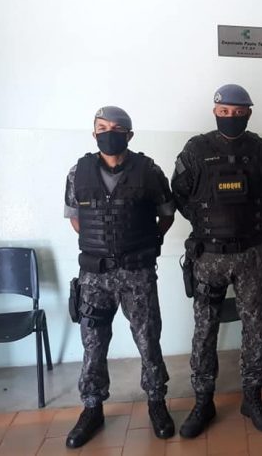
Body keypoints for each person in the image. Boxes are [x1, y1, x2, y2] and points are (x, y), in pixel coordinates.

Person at [171, 84, 262, 438]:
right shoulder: (195, 150)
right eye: (224, 112)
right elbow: (180, 194)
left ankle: (252, 398)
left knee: (254, 328)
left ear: (248, 113)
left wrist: (244, 223)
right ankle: (203, 402)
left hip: (251, 255)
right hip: (209, 256)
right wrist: (209, 225)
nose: (231, 117)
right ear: (215, 111)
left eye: (238, 112)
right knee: (204, 330)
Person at [63, 106, 175, 448]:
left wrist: (144, 242)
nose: (107, 133)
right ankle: (92, 408)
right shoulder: (78, 172)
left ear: (129, 134)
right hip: (94, 275)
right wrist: (103, 245)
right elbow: (76, 218)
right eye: (101, 127)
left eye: (115, 128)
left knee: (148, 339)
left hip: (137, 273)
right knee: (93, 344)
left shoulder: (149, 171)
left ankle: (156, 402)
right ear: (93, 132)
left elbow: (167, 215)